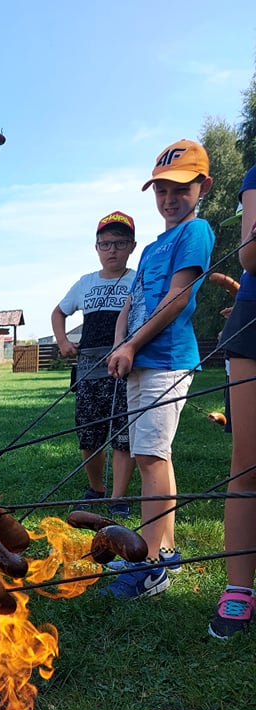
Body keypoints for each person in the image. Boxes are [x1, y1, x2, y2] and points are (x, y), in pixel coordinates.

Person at [103, 139, 214, 600]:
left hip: (167, 359)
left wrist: (133, 344)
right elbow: (133, 300)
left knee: (149, 456)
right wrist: (119, 345)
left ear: (202, 186)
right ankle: (164, 547)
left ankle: (149, 564)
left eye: (180, 188)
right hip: (140, 360)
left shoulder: (196, 232)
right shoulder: (150, 247)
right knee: (155, 454)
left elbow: (177, 298)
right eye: (161, 190)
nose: (169, 199)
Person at [51, 212, 137, 519]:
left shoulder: (137, 280)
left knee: (123, 434)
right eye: (105, 243)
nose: (112, 250)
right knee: (89, 434)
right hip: (88, 369)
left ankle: (118, 496)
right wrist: (63, 342)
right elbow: (58, 313)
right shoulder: (85, 283)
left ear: (132, 246)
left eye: (119, 243)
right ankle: (96, 488)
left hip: (126, 369)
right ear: (96, 247)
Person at [208, 165, 256, 638]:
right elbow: (251, 255)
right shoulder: (255, 176)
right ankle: (239, 587)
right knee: (247, 464)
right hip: (253, 323)